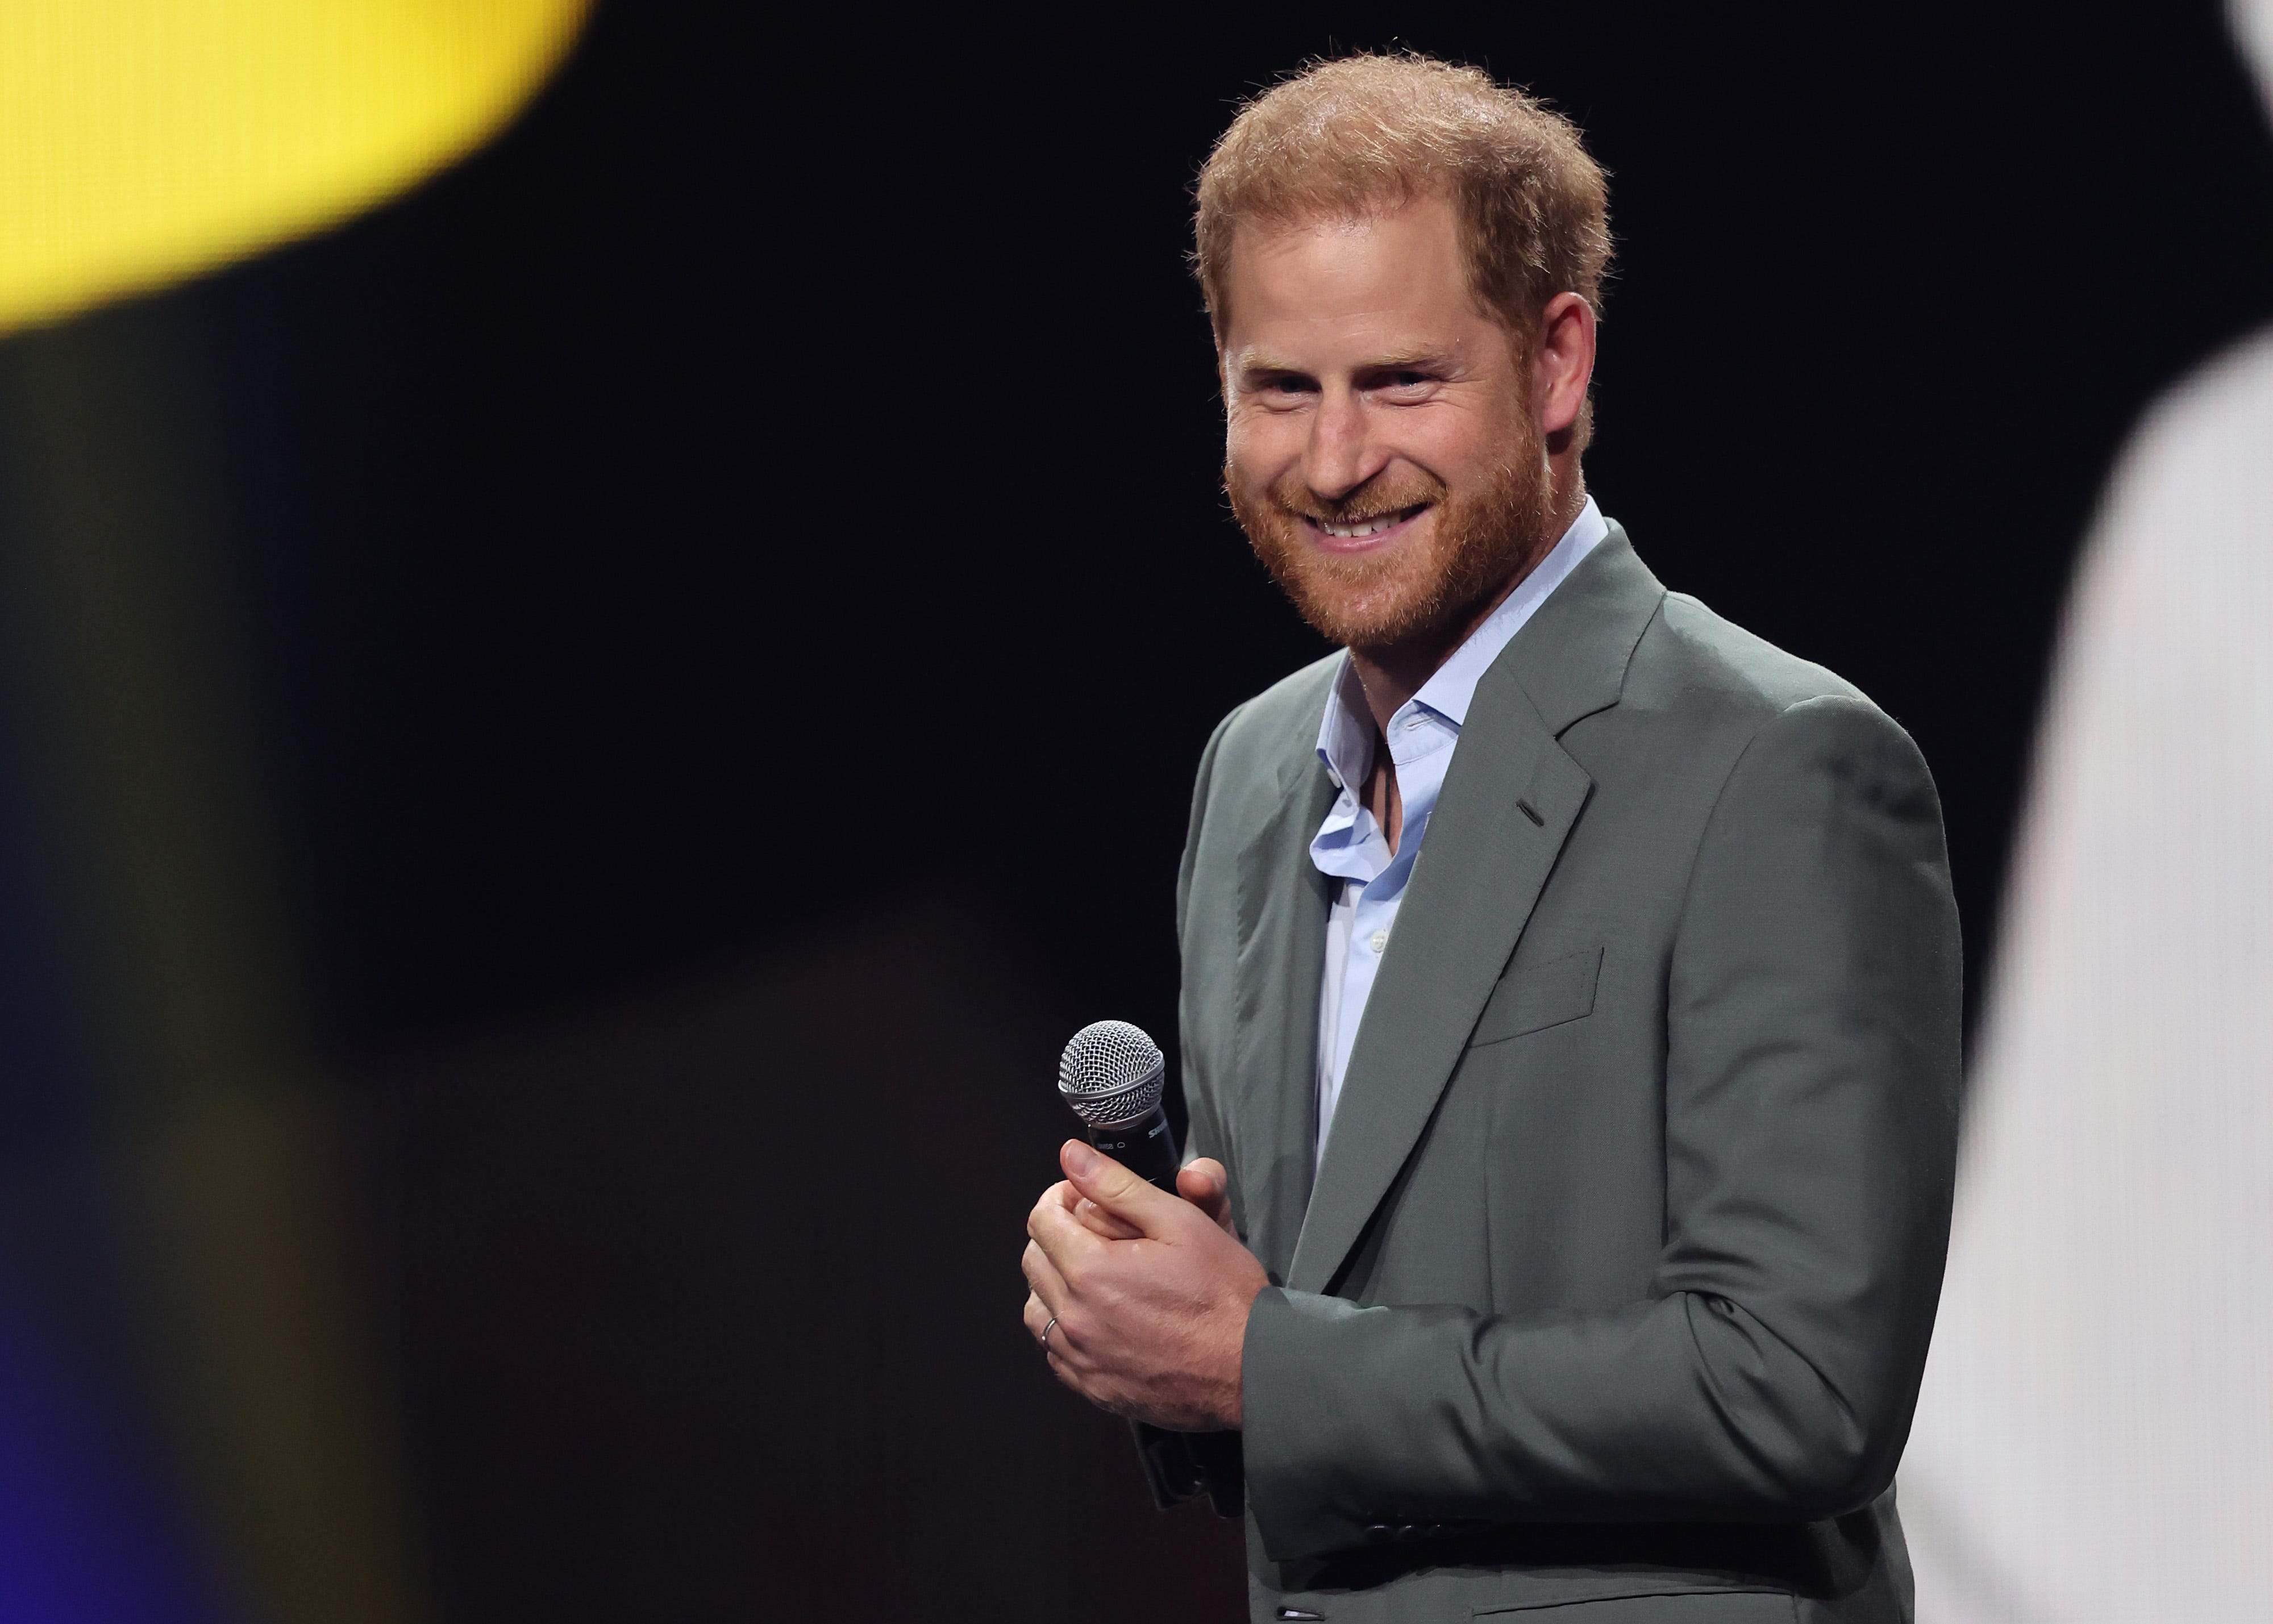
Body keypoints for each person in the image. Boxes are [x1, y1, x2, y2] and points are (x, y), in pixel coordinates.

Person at [1018, 54, 1962, 1623]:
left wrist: (1260, 1360)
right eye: (1280, 388)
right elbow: (1303, 1367)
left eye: (1401, 381)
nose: (1334, 462)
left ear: (1557, 362)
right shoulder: (1252, 775)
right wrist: (1152, 1323)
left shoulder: (1779, 765)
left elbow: (1798, 1386)